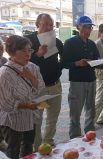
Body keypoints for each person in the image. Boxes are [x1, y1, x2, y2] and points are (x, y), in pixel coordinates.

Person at [0, 35, 45, 159]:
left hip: (30, 116)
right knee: (13, 150)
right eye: (23, 50)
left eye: (29, 50)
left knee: (28, 146)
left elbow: (40, 87)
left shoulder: (32, 67)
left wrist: (32, 77)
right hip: (13, 120)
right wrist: (26, 105)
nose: (28, 54)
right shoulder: (4, 73)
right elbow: (5, 104)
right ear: (12, 52)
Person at [26, 13, 64, 150]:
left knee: (52, 117)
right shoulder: (28, 41)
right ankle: (37, 147)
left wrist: (58, 70)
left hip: (55, 86)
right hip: (39, 90)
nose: (49, 27)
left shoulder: (56, 41)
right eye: (45, 24)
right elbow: (22, 63)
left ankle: (48, 142)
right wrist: (38, 55)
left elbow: (64, 59)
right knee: (37, 119)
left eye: (51, 25)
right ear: (37, 24)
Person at [63, 16, 100, 139]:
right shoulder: (70, 43)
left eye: (90, 27)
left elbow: (98, 60)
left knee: (91, 109)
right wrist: (77, 63)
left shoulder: (92, 44)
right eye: (85, 27)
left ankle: (90, 134)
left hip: (91, 80)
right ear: (78, 27)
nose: (88, 30)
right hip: (77, 82)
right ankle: (75, 138)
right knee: (75, 112)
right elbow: (64, 63)